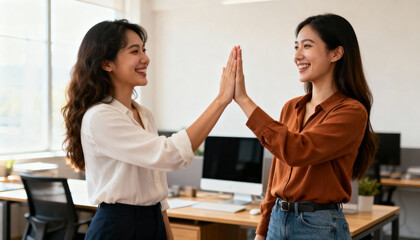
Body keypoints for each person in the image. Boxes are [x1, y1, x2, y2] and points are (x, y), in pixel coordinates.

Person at [61, 19, 236, 240]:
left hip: (152, 223)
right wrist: (221, 100)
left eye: (144, 50)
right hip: (117, 228)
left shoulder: (143, 114)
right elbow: (170, 155)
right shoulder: (100, 117)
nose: (146, 58)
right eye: (135, 51)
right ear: (107, 63)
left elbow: (157, 193)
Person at [233, 14, 377, 239]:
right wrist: (263, 228)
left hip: (318, 225)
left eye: (307, 46)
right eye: (296, 47)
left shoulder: (351, 111)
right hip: (277, 220)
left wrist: (243, 99)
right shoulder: (291, 107)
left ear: (336, 53)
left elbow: (297, 150)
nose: (297, 56)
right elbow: (276, 175)